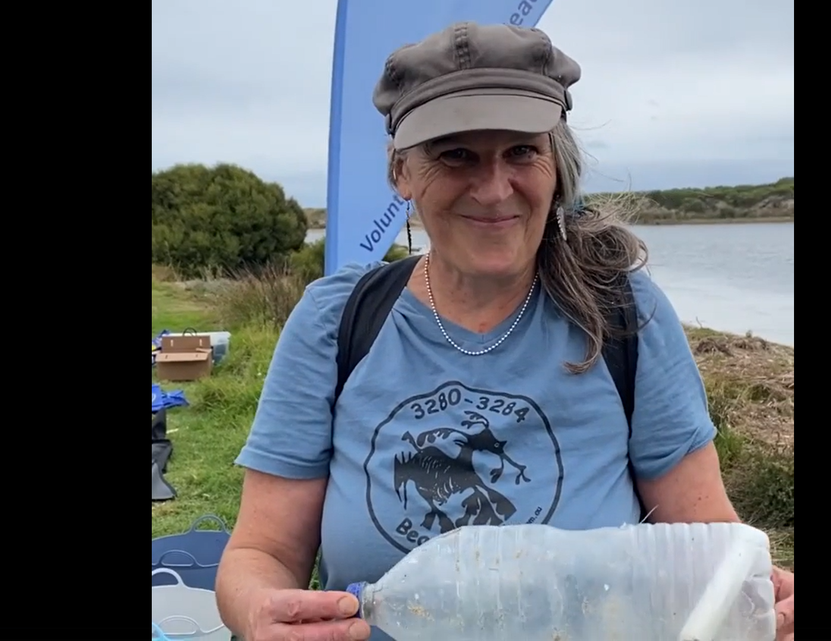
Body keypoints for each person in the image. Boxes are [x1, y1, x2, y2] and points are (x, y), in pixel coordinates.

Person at [215, 20, 795, 641]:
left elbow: (708, 548)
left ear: (556, 165)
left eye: (521, 150)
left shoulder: (622, 312)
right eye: (455, 154)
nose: (494, 190)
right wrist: (257, 612)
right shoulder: (338, 322)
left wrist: (760, 601)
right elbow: (262, 553)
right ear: (400, 173)